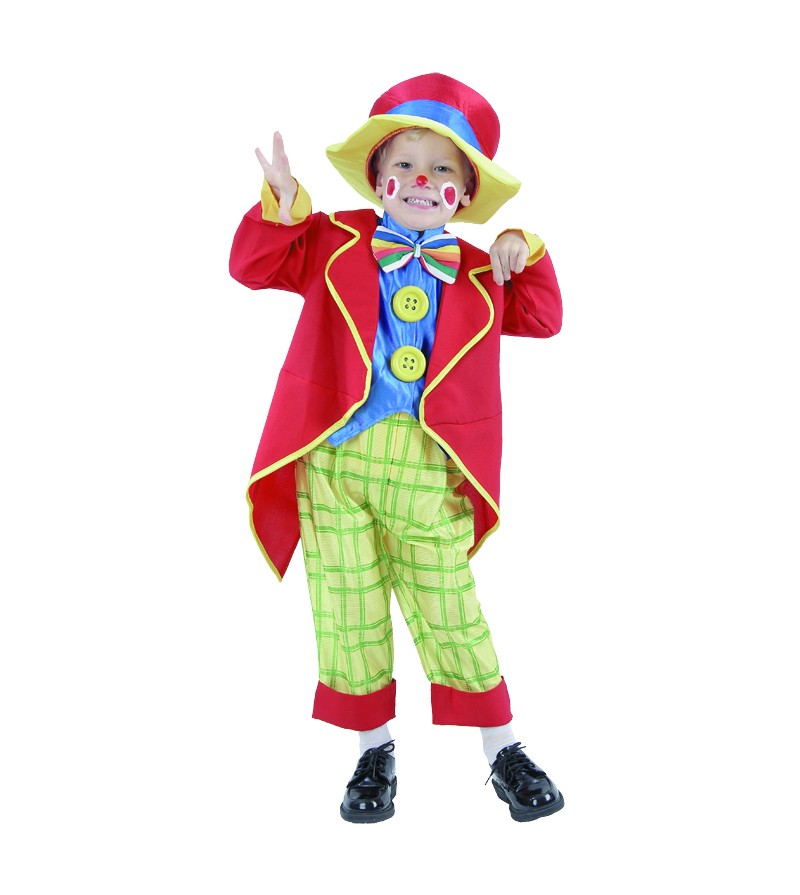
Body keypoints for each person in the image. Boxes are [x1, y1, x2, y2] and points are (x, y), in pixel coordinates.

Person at [229, 73, 564, 824]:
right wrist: (283, 205)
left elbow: (544, 318)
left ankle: (503, 748)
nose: (420, 179)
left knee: (450, 604)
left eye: (441, 168)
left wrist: (525, 246)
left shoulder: (479, 269)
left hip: (428, 463)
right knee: (346, 605)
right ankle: (372, 751)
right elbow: (253, 267)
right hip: (331, 460)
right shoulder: (334, 240)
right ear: (377, 179)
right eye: (404, 164)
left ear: (464, 195)